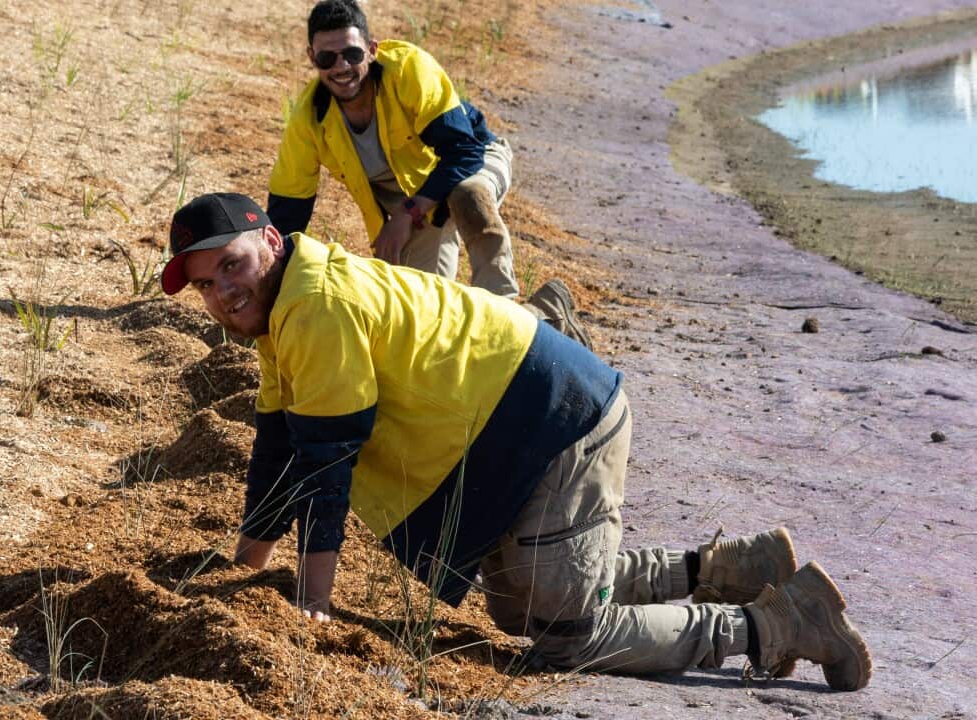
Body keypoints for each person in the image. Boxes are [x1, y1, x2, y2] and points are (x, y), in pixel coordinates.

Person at [160, 192, 873, 691]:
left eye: (232, 265)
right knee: (517, 607)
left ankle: (776, 624)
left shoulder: (315, 306)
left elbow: (328, 463)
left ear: (271, 242)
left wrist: (311, 605)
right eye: (206, 285)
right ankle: (736, 566)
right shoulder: (284, 306)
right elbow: (280, 448)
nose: (223, 293)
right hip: (517, 426)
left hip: (557, 421)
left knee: (567, 636)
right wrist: (246, 568)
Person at [267, 0, 522, 300]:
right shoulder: (309, 120)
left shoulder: (408, 71)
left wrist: (406, 215)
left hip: (472, 158)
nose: (341, 66)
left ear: (371, 49)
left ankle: (505, 303)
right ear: (312, 57)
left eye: (352, 54)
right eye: (327, 58)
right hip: (417, 201)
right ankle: (546, 309)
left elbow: (462, 149)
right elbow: (287, 212)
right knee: (423, 305)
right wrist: (265, 284)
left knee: (469, 195)